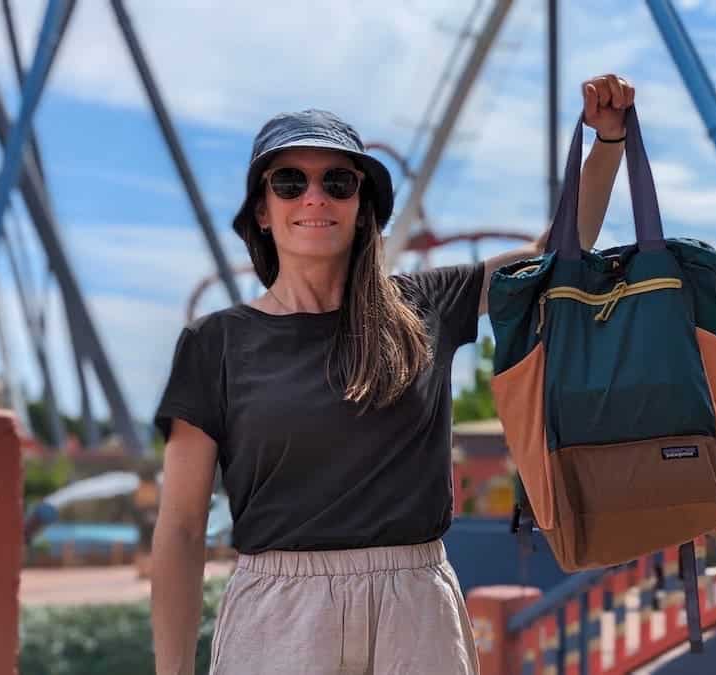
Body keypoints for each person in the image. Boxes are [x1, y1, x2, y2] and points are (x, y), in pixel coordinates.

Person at [150, 73, 636, 675]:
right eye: (289, 182)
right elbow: (179, 528)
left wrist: (606, 145)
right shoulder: (214, 344)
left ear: (362, 209)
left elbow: (555, 257)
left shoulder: (425, 304)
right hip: (279, 615)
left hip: (416, 604)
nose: (315, 197)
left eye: (338, 182)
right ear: (262, 212)